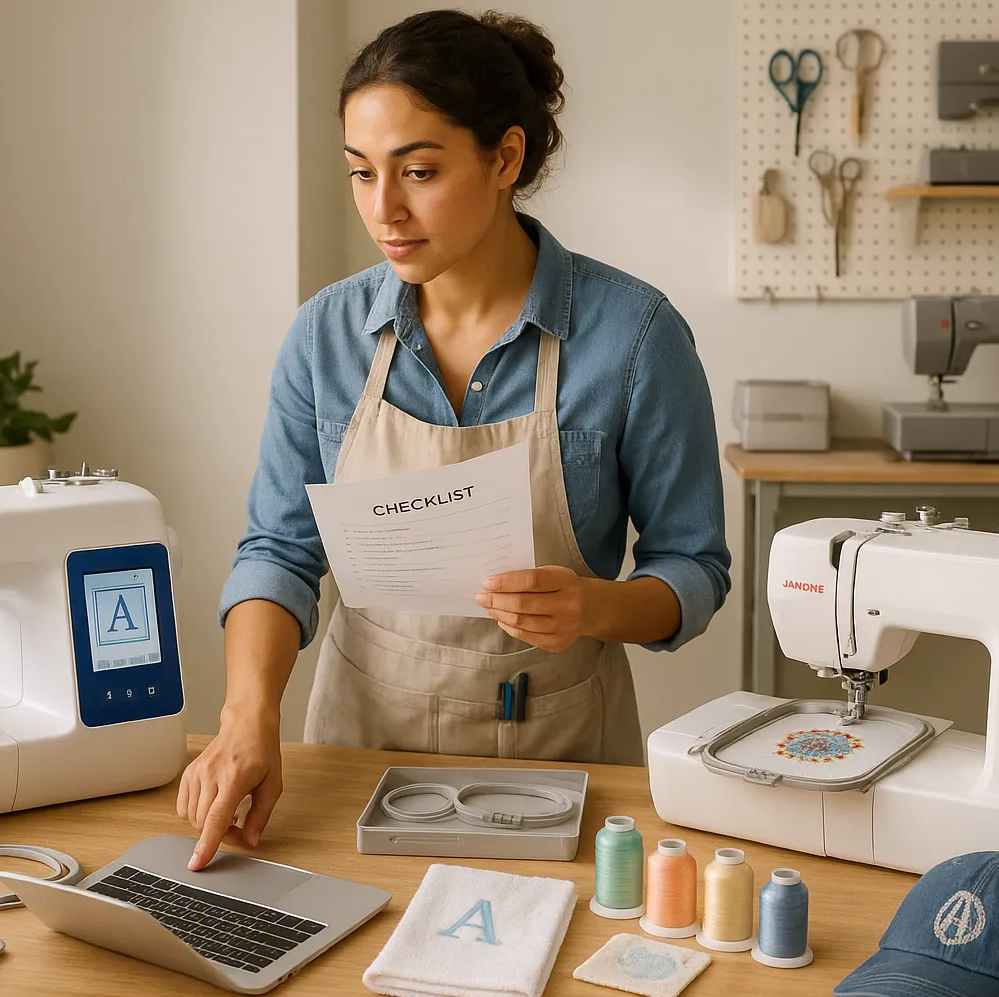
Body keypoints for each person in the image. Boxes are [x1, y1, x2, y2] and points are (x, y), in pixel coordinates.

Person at [179, 9, 730, 870]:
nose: (383, 209)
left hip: (563, 764)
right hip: (358, 754)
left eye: (420, 171)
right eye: (361, 174)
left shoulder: (634, 337)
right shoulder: (325, 336)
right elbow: (277, 552)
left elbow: (693, 568)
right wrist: (247, 718)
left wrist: (593, 606)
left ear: (504, 157)